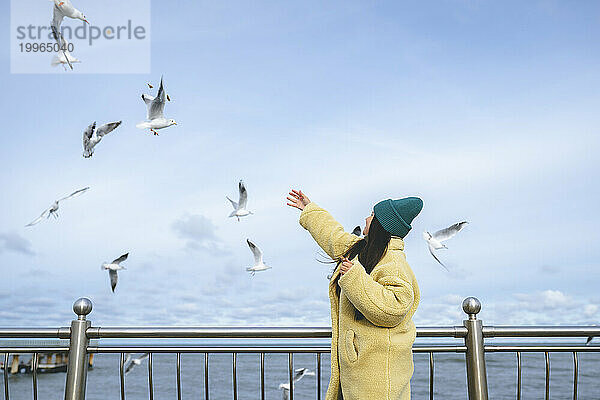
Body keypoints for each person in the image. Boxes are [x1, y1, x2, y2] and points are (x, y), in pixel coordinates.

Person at [286, 189, 423, 400]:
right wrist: (309, 209)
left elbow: (394, 308)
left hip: (378, 376)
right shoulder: (361, 249)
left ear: (381, 225)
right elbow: (333, 236)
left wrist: (354, 277)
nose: (367, 218)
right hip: (356, 373)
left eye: (373, 215)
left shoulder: (394, 262)